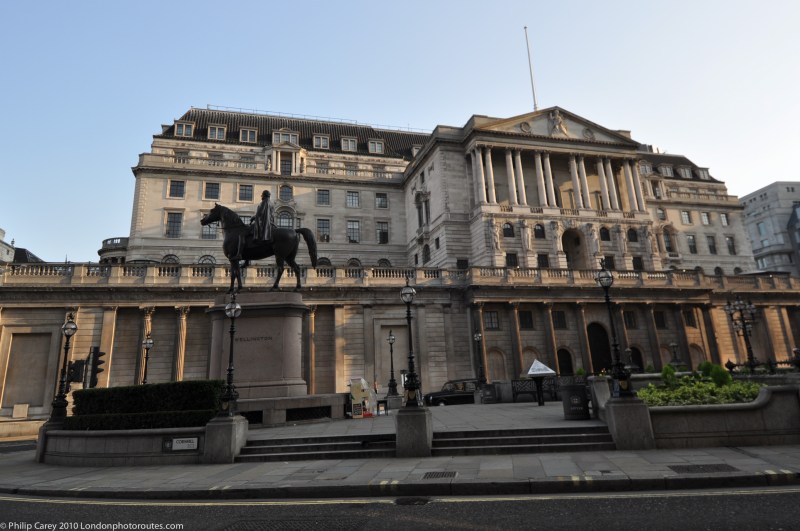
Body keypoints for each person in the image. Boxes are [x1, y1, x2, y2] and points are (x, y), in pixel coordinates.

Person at [233, 190, 274, 260]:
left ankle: (239, 254)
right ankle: (247, 259)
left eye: (262, 195)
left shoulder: (264, 202)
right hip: (269, 223)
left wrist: (253, 217)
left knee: (242, 235)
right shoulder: (271, 203)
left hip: (262, 223)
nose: (261, 196)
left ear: (264, 195)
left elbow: (260, 213)